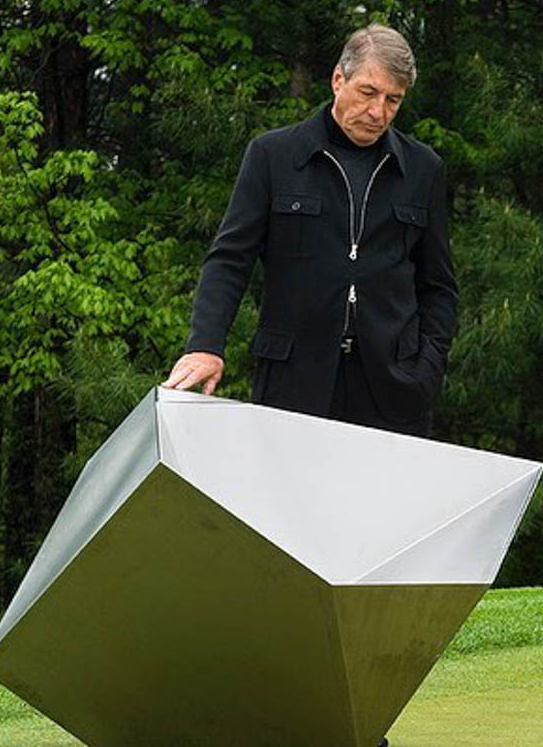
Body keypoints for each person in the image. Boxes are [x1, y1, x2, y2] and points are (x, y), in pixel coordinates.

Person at [163, 24, 456, 438]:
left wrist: (427, 368)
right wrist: (206, 345)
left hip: (394, 390)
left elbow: (438, 286)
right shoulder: (273, 155)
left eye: (393, 100)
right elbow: (230, 260)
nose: (379, 112)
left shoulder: (424, 170)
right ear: (339, 79)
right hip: (292, 386)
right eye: (368, 93)